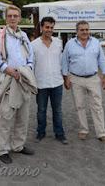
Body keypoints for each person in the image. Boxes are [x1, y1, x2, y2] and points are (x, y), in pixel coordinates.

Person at [0, 6, 37, 164]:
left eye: (15, 16)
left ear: (19, 18)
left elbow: (31, 56)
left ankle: (18, 145)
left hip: (23, 80)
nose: (12, 18)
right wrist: (12, 72)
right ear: (6, 18)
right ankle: (3, 149)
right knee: (6, 116)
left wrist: (27, 70)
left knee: (23, 116)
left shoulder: (23, 35)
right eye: (9, 16)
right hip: (8, 80)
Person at [62, 21, 105, 143]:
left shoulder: (95, 43)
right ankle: (83, 130)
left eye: (87, 29)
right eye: (82, 30)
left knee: (97, 106)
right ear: (77, 31)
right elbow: (64, 61)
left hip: (93, 78)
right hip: (76, 78)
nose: (85, 32)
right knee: (79, 105)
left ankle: (101, 133)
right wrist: (66, 77)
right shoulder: (69, 44)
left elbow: (102, 60)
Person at [31, 16, 68, 145]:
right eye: (47, 27)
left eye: (52, 27)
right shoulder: (33, 45)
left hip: (57, 83)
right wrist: (31, 84)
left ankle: (60, 134)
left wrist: (65, 77)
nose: (49, 30)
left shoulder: (58, 42)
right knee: (41, 110)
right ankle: (40, 133)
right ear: (41, 27)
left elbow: (62, 62)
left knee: (57, 110)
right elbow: (32, 65)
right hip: (40, 84)